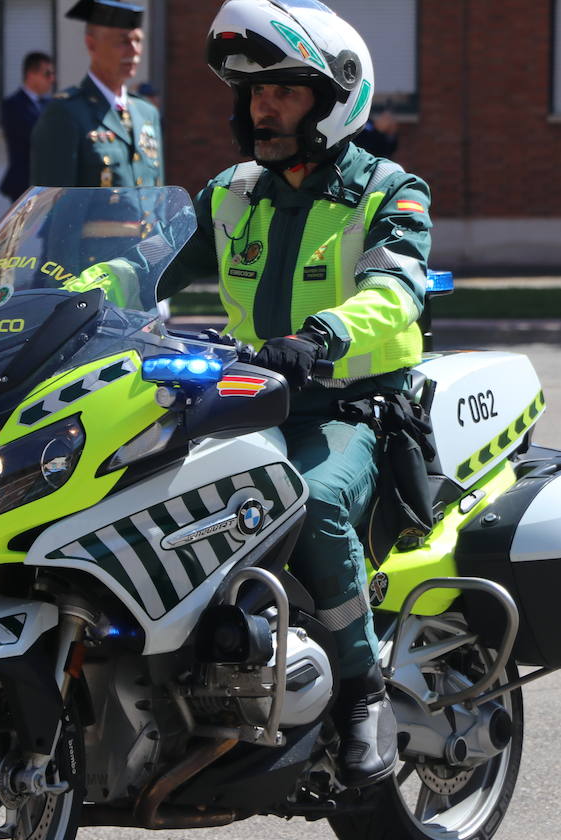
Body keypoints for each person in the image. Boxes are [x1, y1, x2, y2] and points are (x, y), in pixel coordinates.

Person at [159, 0, 433, 787]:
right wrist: (59, 290)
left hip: (346, 409)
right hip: (242, 401)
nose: (261, 108)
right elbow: (145, 268)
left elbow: (395, 295)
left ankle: (360, 691)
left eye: (281, 90)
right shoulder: (231, 193)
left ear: (334, 94)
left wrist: (320, 340)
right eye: (252, 93)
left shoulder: (389, 190)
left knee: (304, 502)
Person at [29, 0, 161, 191]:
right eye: (123, 41)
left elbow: (158, 198)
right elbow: (53, 205)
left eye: (138, 40)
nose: (134, 51)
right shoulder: (66, 112)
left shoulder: (147, 113)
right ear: (91, 44)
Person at [0, 50, 54, 203]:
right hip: (24, 183)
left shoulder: (50, 105)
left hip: (48, 184)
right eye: (47, 74)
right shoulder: (13, 105)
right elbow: (35, 137)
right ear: (31, 74)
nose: (51, 79)